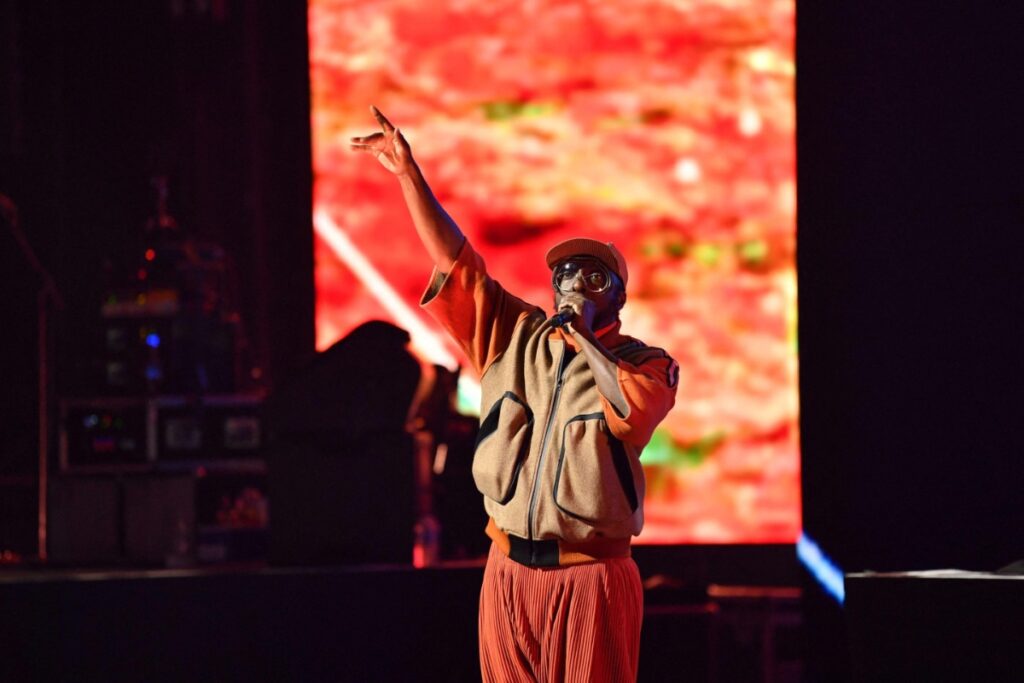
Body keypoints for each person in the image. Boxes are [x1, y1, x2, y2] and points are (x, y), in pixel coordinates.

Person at [351, 106, 678, 682]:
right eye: (566, 273)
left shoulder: (645, 363)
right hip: (507, 571)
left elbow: (633, 414)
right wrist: (409, 176)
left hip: (590, 579)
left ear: (618, 299)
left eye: (593, 277)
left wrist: (584, 340)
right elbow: (457, 264)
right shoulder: (515, 335)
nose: (574, 283)